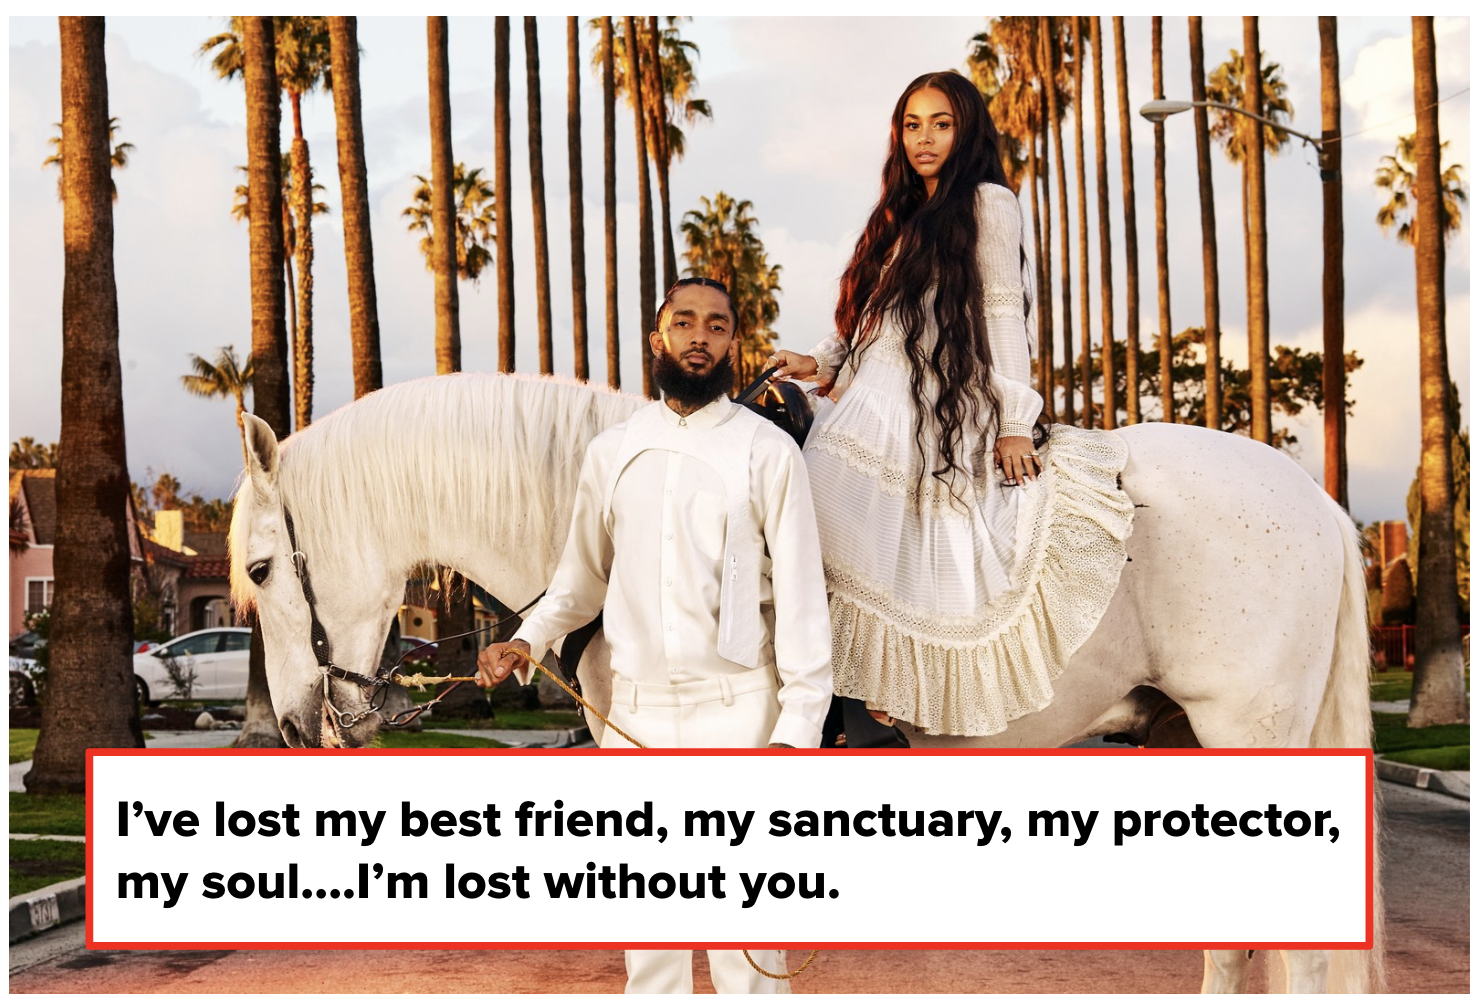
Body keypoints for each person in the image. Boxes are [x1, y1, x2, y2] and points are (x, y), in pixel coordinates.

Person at [477, 276, 832, 995]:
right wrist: (529, 639)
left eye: (718, 326)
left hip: (742, 718)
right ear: (658, 338)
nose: (700, 336)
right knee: (652, 950)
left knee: (750, 955)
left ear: (735, 342)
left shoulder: (769, 453)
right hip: (633, 720)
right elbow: (579, 580)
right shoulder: (613, 451)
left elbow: (801, 601)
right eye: (685, 322)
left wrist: (797, 734)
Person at [769, 70, 1102, 740]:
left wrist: (1014, 421)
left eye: (941, 124)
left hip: (928, 402)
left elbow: (1005, 315)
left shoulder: (987, 202)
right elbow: (874, 314)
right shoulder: (900, 211)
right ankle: (842, 696)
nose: (925, 138)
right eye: (914, 124)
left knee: (824, 502)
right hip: (870, 391)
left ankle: (883, 688)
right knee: (801, 511)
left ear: (967, 130)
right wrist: (823, 360)